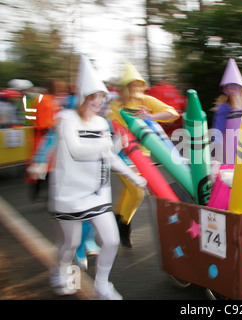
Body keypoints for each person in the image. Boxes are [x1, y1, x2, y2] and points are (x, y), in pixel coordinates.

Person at [48, 56, 147, 299]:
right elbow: (76, 150)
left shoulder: (103, 123)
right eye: (93, 96)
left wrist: (132, 175)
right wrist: (107, 146)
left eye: (101, 97)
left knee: (111, 241)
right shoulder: (67, 119)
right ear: (83, 97)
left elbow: (109, 157)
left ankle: (102, 285)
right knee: (70, 244)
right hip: (70, 192)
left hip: (97, 193)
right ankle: (60, 272)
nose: (98, 101)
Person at [110, 62, 180, 247]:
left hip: (142, 155)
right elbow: (110, 128)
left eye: (138, 84)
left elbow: (172, 113)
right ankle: (123, 227)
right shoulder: (116, 106)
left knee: (127, 191)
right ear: (125, 87)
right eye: (132, 85)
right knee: (136, 191)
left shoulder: (145, 101)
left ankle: (117, 221)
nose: (136, 88)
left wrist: (150, 116)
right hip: (121, 153)